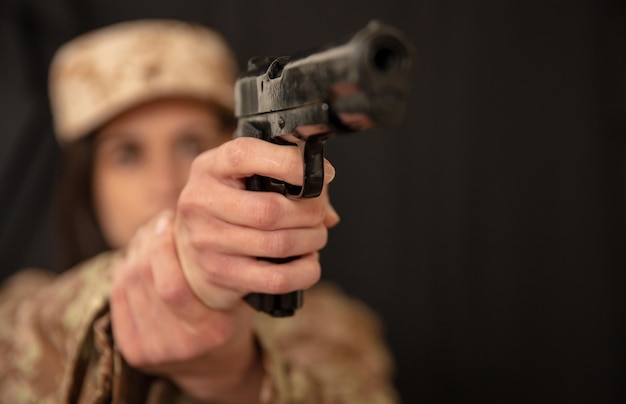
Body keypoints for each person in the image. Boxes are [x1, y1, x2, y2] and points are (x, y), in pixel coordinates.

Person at [0, 19, 397, 403]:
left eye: (190, 144)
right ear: (86, 181)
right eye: (127, 154)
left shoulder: (330, 326)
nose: (165, 182)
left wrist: (237, 377)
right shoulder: (24, 312)